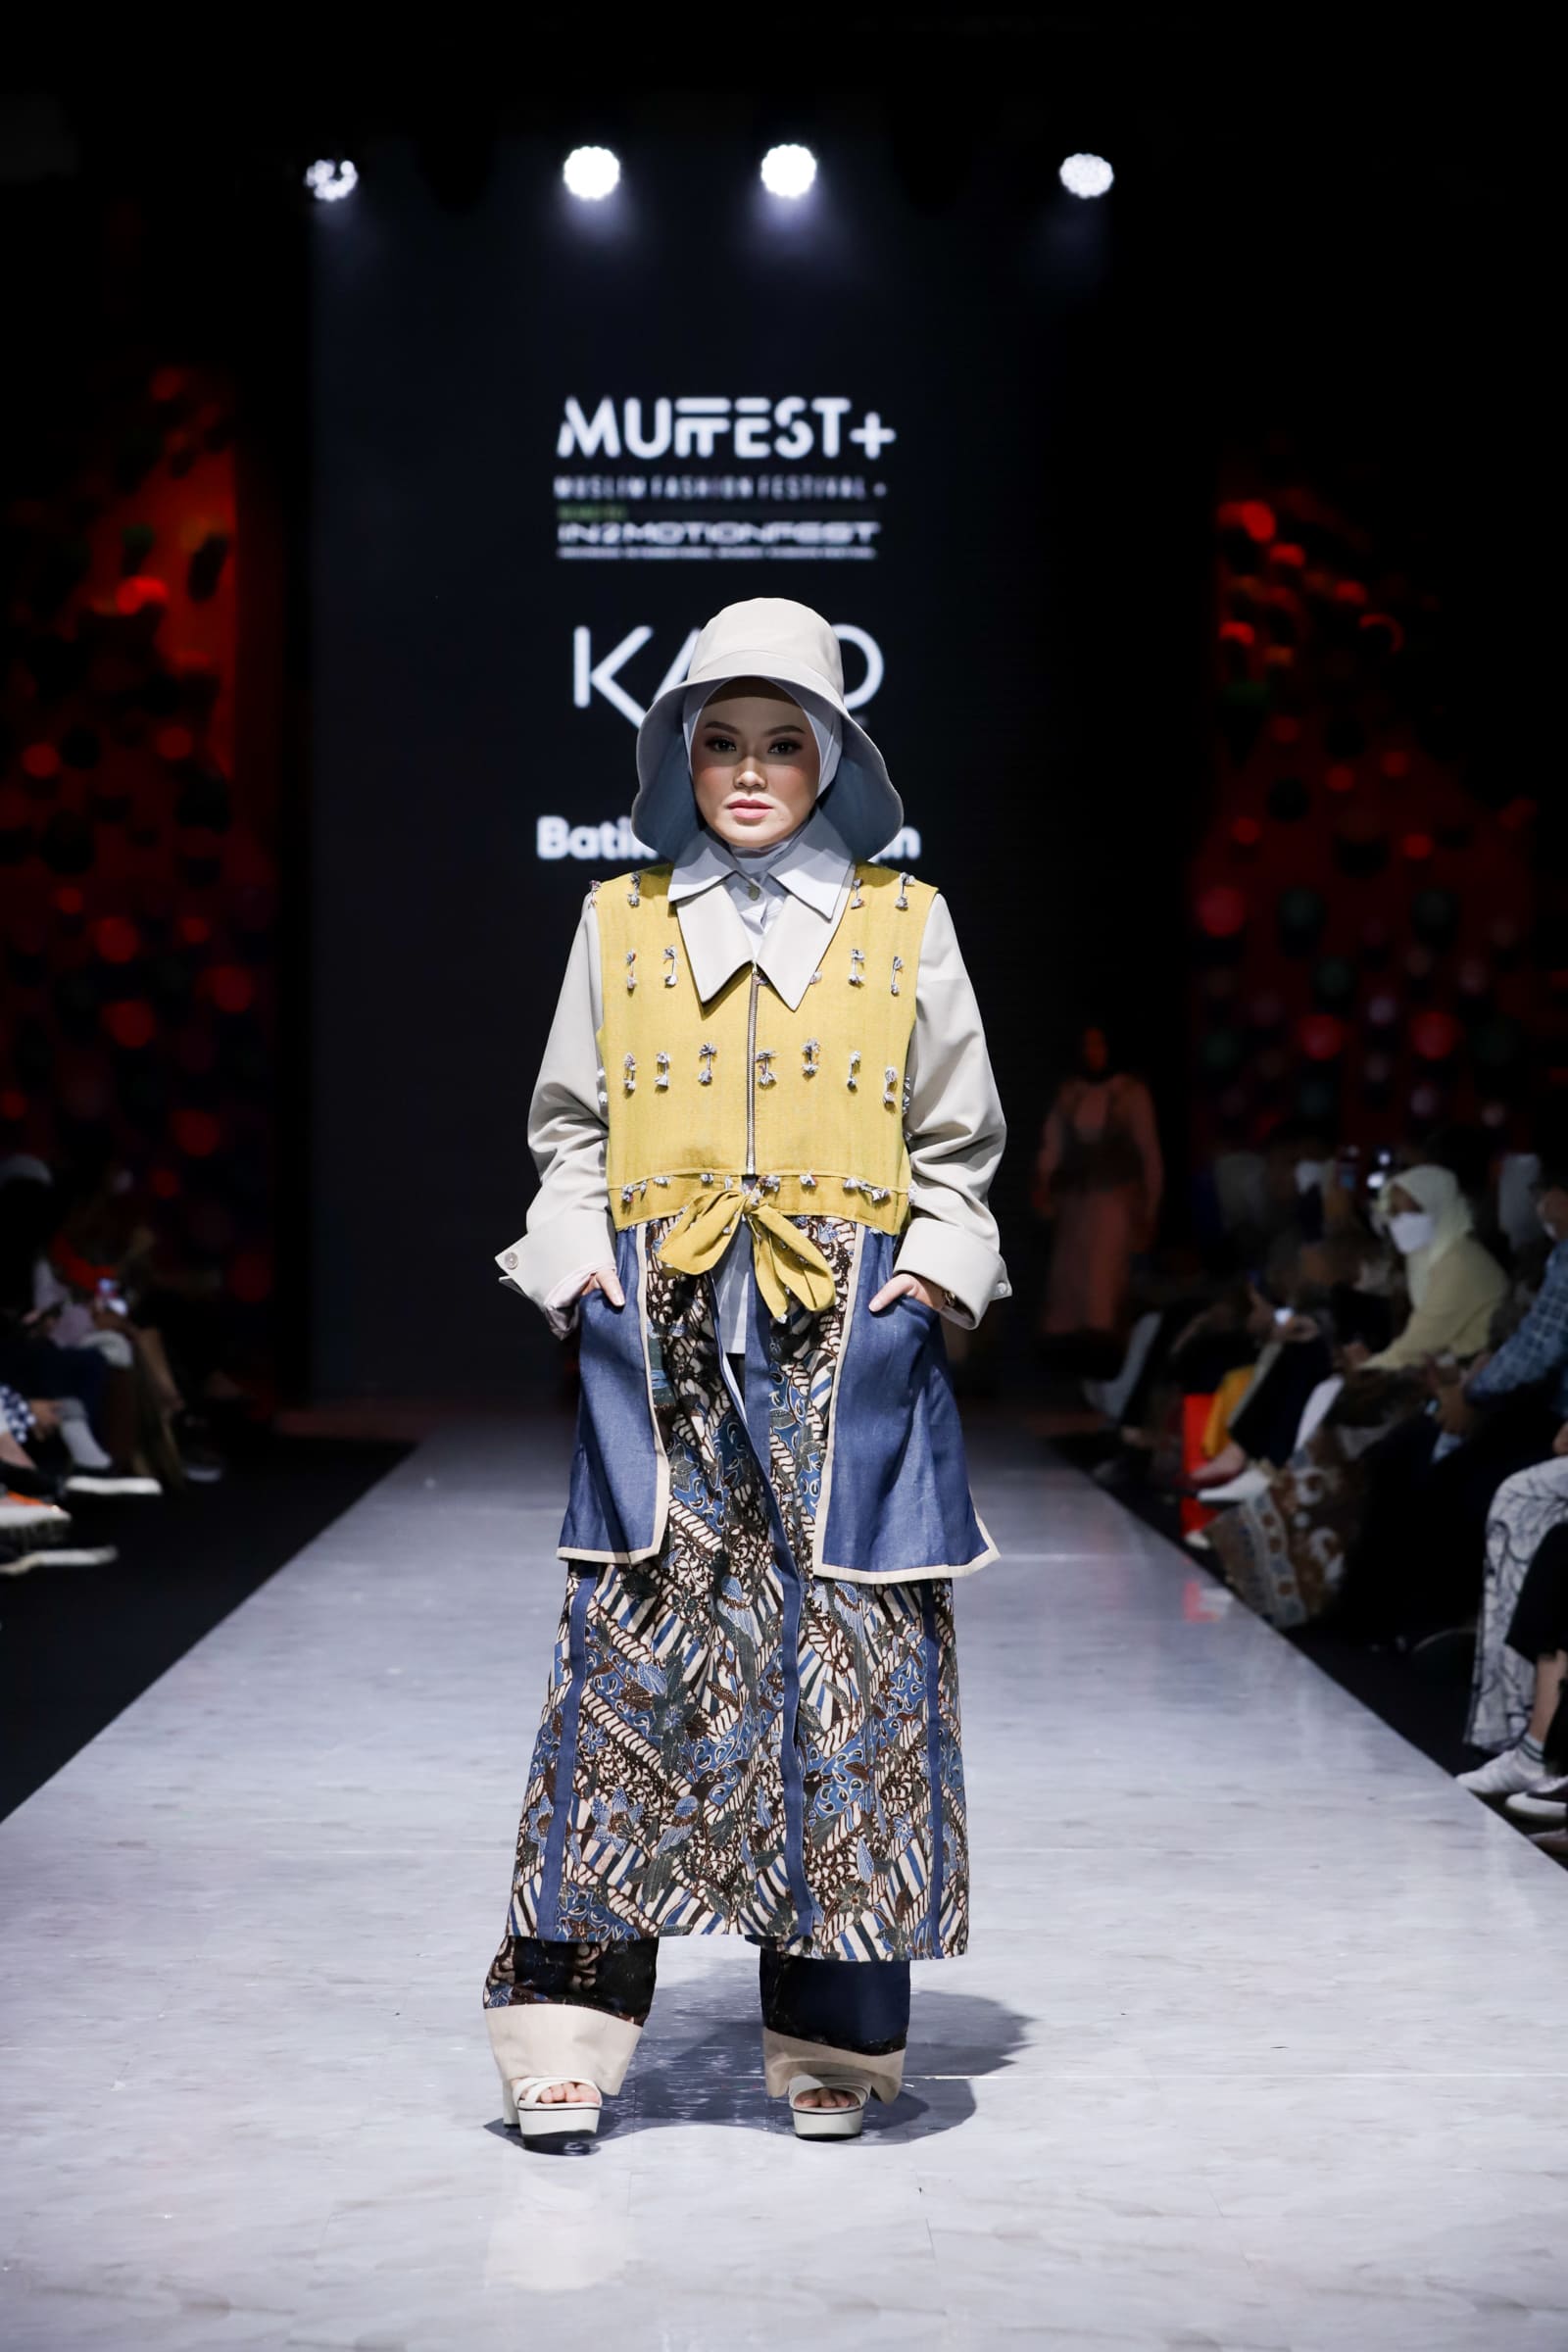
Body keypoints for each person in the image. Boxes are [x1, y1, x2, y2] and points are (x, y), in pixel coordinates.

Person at [482, 599, 1008, 2143]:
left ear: (833, 756)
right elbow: (570, 1131)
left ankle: (834, 2040)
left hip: (850, 1343)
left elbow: (960, 1141)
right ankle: (565, 2034)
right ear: (682, 758)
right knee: (628, 1676)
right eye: (723, 741)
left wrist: (929, 1278)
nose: (755, 770)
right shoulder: (620, 921)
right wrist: (577, 1267)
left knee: (850, 1679)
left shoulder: (907, 922)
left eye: (787, 741)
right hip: (658, 1348)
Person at [1033, 1023, 1161, 1378]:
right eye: (1087, 1045)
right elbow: (1052, 1147)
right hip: (1076, 1208)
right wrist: (1044, 1185)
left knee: (1104, 1289)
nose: (1093, 1053)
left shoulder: (1130, 1094)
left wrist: (1149, 1210)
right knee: (1070, 1292)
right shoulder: (1069, 1094)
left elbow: (1149, 1154)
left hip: (1115, 1206)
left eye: (1099, 1045)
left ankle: (1107, 1370)